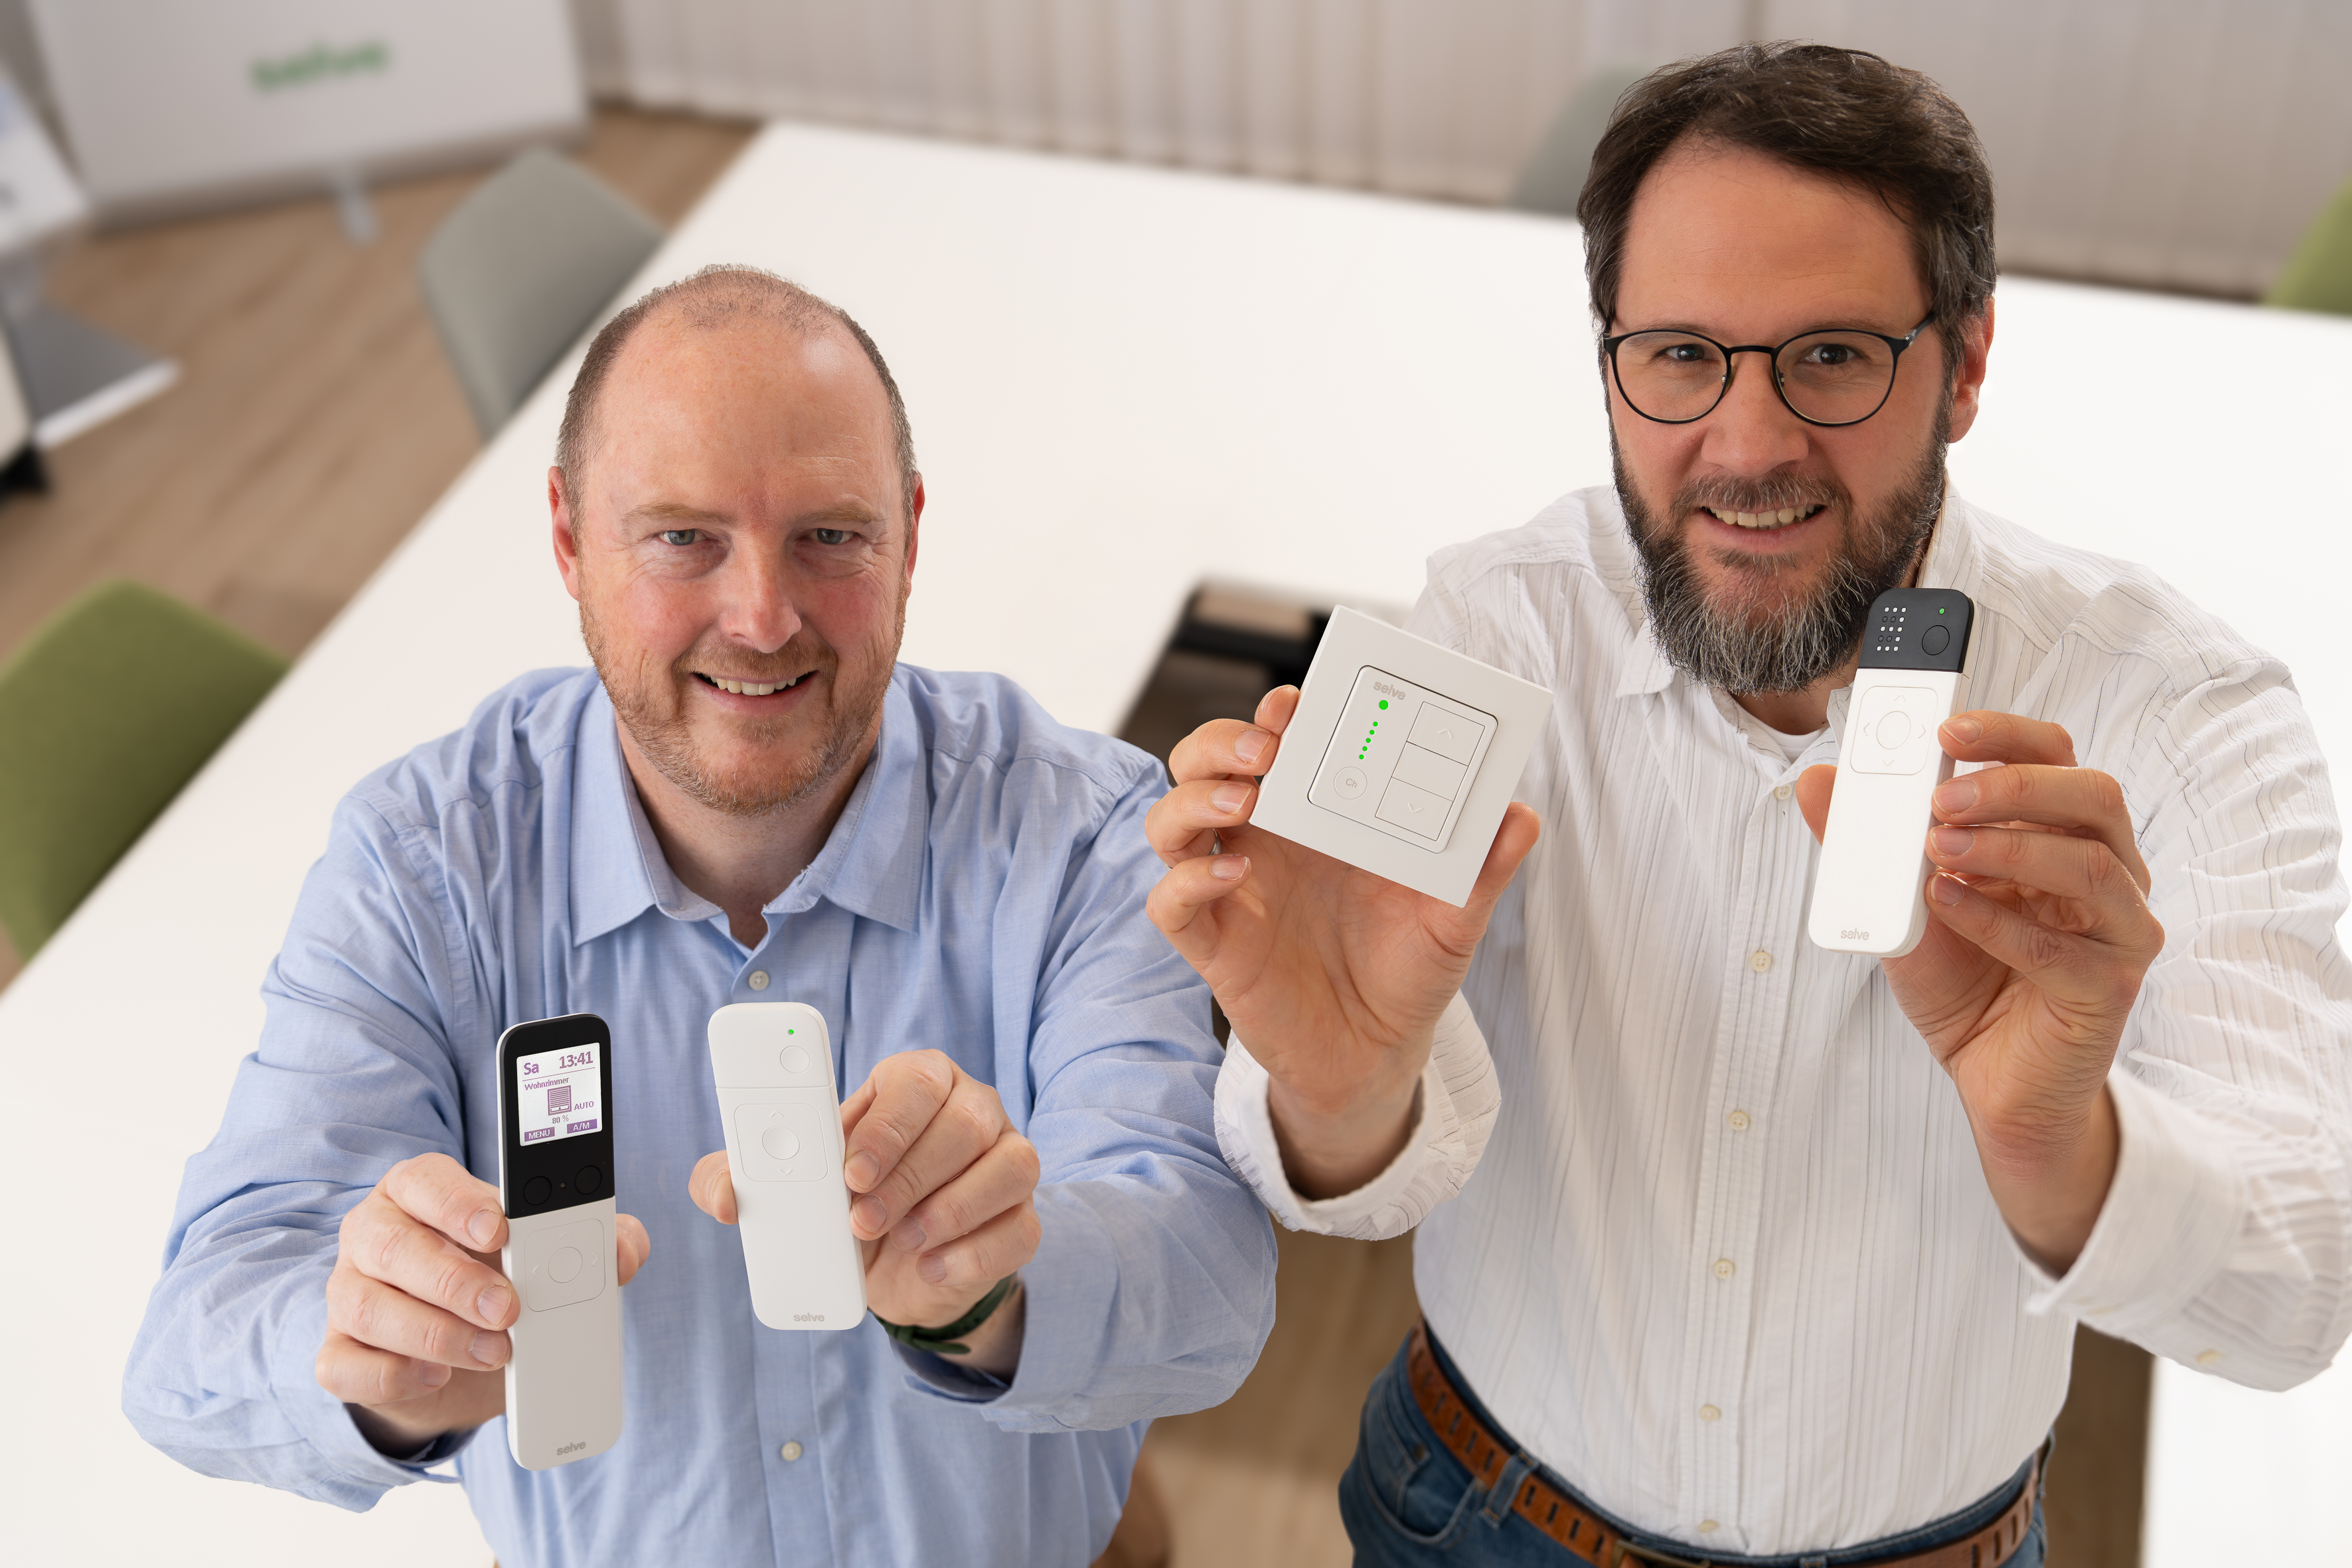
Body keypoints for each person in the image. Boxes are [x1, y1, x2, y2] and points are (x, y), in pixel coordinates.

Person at [1146, 42, 2352, 1567]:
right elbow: (1340, 1171)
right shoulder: (1485, 631)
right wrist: (1336, 1088)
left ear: (1965, 362)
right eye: (1677, 355)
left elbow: (2298, 1296)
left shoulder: (2180, 714)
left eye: (1831, 355)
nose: (1747, 445)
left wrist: (2066, 1142)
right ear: (1608, 357)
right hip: (1471, 1515)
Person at [123, 265, 1275, 1567]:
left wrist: (985, 1294)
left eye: (829, 536)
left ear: (908, 535)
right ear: (568, 539)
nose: (762, 618)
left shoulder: (1082, 829)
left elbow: (1212, 1287)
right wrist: (373, 1357)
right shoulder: (420, 864)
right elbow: (190, 1343)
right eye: (682, 537)